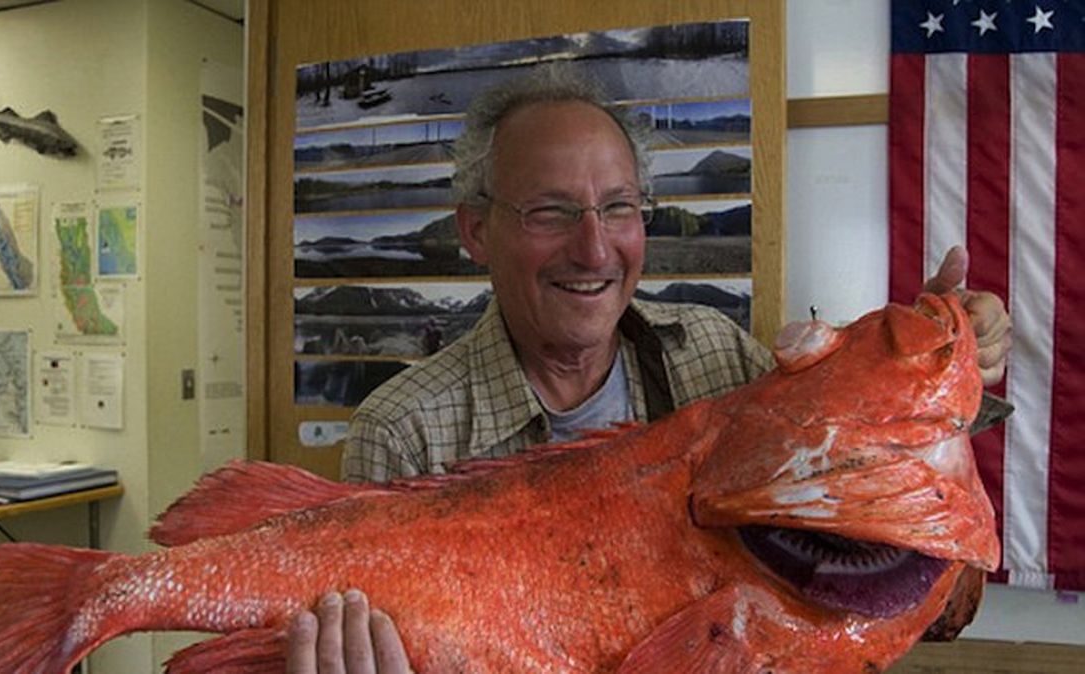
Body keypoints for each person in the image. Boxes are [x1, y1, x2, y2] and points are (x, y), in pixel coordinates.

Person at [286, 63, 1012, 672]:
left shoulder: (717, 353)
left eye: (619, 208)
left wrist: (945, 388)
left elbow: (854, 505)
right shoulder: (402, 427)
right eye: (550, 212)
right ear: (476, 230)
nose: (594, 250)